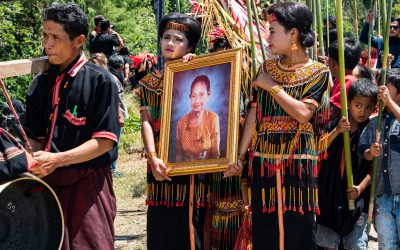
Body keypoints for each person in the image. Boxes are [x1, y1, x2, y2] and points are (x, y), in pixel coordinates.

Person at [225, 2, 330, 249]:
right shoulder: (266, 68)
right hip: (264, 161)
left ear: (293, 34)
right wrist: (239, 157)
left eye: (273, 30)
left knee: (298, 226)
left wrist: (271, 86)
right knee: (266, 226)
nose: (268, 37)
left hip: (298, 162)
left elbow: (304, 113)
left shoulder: (318, 72)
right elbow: (254, 115)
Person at [24, 3, 119, 249]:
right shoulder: (40, 83)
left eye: (56, 37)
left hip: (87, 187)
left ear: (79, 41)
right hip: (46, 184)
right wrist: (29, 159)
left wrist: (58, 159)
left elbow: (104, 141)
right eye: (45, 35)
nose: (48, 44)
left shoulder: (101, 81)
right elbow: (34, 137)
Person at [139, 12, 207, 250]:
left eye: (178, 39)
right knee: (160, 225)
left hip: (189, 164)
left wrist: (192, 69)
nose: (170, 43)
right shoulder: (148, 82)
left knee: (189, 226)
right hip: (159, 164)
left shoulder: (195, 76)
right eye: (166, 37)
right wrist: (152, 156)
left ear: (190, 46)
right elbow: (146, 120)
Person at [316, 78, 377, 250]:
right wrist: (337, 131)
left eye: (368, 107)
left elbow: (374, 169)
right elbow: (318, 149)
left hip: (356, 200)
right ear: (348, 103)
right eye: (358, 105)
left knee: (356, 244)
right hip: (330, 195)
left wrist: (360, 188)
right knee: (327, 244)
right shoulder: (335, 125)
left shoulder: (371, 131)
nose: (362, 112)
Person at [358, 68, 400, 250]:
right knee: (387, 244)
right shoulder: (376, 122)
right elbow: (362, 151)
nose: (382, 92)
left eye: (387, 89)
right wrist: (370, 153)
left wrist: (390, 102)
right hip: (382, 195)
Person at [175, 75, 220, 162]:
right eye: (193, 95)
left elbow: (216, 155)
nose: (197, 101)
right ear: (190, 97)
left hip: (208, 172)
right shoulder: (181, 123)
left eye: (201, 95)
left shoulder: (213, 119)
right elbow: (179, 155)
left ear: (208, 95)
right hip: (186, 173)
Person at [327, 37, 361, 120]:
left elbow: (331, 114)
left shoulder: (348, 81)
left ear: (333, 63)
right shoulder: (340, 79)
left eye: (329, 59)